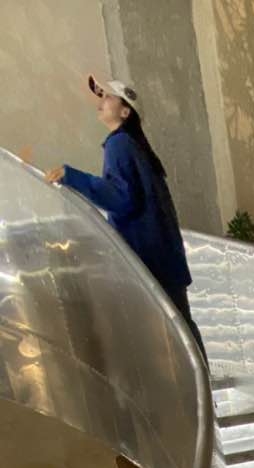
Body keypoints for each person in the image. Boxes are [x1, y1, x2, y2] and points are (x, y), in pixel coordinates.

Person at [45, 76, 206, 359]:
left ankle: (192, 383)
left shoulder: (119, 145)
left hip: (149, 254)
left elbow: (121, 198)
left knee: (168, 330)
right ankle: (201, 379)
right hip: (163, 253)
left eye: (109, 97)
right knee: (180, 325)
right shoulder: (133, 145)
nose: (102, 101)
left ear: (125, 111)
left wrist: (72, 177)